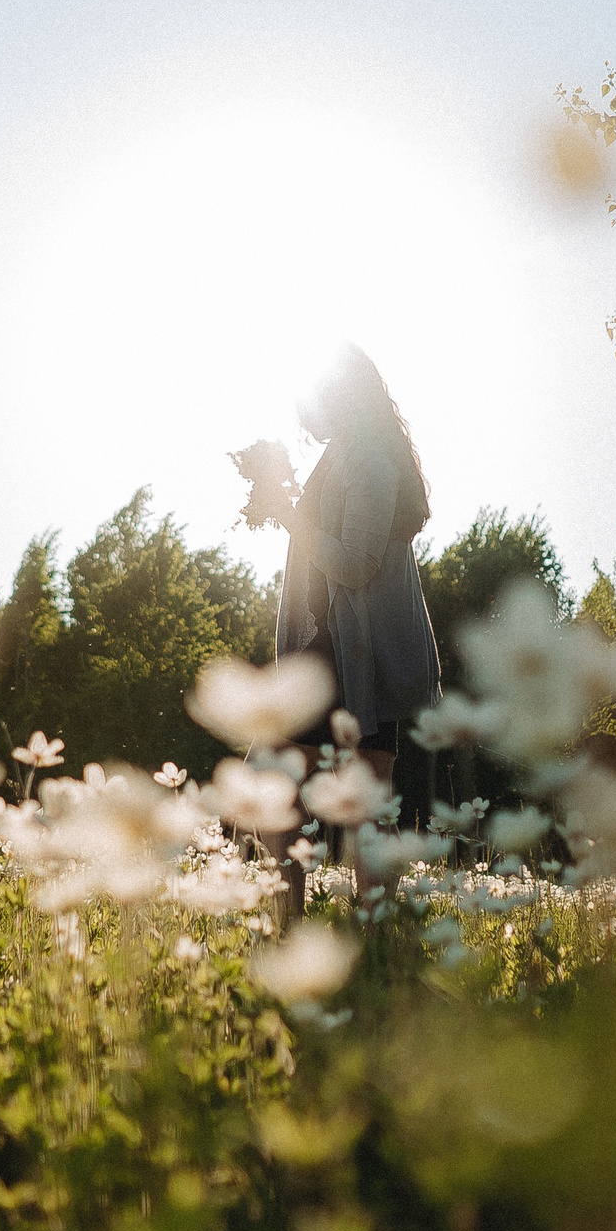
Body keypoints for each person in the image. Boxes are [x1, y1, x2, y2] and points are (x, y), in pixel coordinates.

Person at [273, 344, 442, 915]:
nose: (304, 412)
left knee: (292, 787)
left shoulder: (368, 459)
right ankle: (340, 928)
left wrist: (294, 517)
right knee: (342, 798)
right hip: (338, 647)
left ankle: (336, 928)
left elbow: (355, 562)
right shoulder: (347, 454)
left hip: (352, 656)